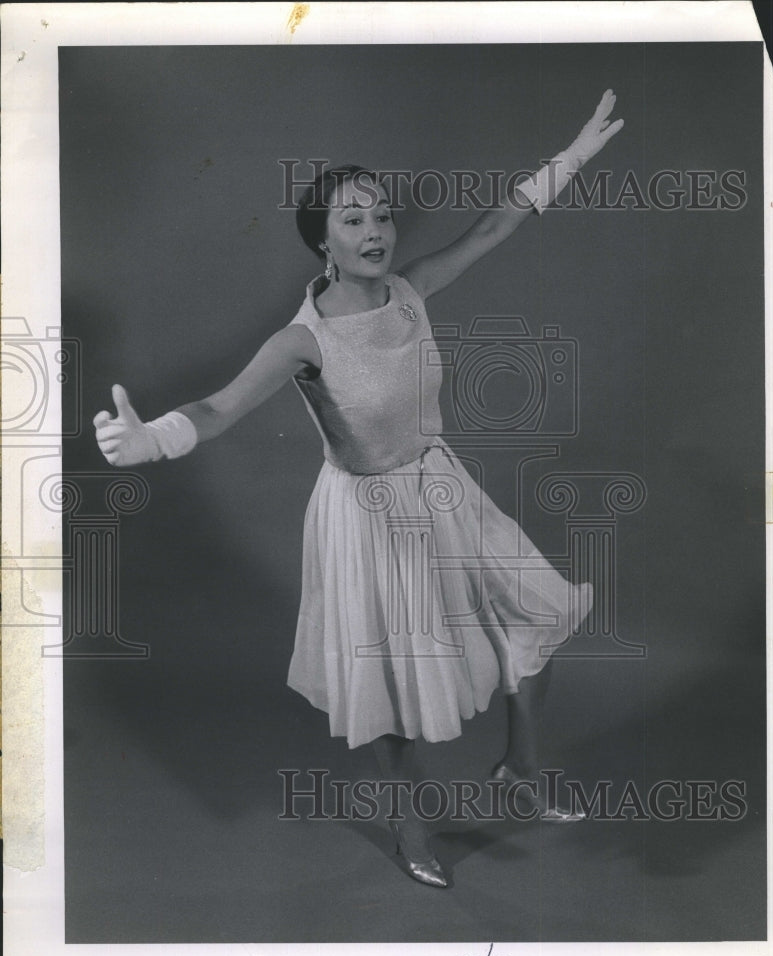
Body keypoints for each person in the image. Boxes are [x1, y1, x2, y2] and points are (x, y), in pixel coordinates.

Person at [95, 90, 624, 889]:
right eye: (352, 220)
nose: (375, 230)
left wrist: (572, 157)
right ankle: (411, 826)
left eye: (380, 214)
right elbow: (219, 405)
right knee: (394, 681)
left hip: (440, 489)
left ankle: (520, 766)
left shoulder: (408, 291)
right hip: (369, 516)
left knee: (540, 614)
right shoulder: (303, 339)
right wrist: (149, 441)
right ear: (323, 244)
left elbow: (494, 227)